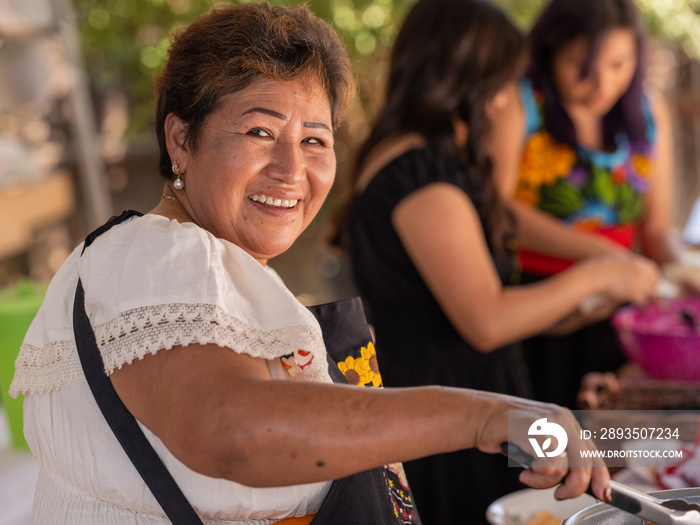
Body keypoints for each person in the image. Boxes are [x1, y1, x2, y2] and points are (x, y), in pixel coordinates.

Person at [9, 3, 609, 524]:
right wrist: (489, 418)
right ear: (179, 139)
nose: (291, 170)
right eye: (260, 131)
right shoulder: (159, 251)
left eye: (315, 140)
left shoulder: (219, 269)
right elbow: (232, 430)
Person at [337, 0, 658, 523]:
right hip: (446, 426)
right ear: (466, 80)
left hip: (465, 409)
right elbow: (486, 321)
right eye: (504, 84)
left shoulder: (428, 161)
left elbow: (474, 308)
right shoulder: (423, 176)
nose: (509, 102)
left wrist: (583, 308)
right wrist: (601, 272)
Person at [488, 0, 683, 409]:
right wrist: (604, 258)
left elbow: (658, 229)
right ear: (550, 51)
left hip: (620, 312)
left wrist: (684, 272)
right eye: (581, 64)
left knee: (615, 445)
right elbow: (496, 208)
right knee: (539, 449)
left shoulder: (649, 113)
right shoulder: (521, 103)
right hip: (534, 308)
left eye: (619, 65)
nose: (602, 84)